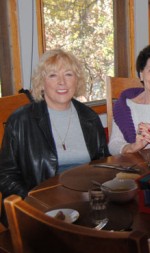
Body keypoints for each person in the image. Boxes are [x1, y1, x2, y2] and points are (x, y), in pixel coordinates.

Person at [0, 49, 109, 199]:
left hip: (85, 198)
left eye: (68, 74)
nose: (62, 82)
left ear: (76, 81)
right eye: (53, 75)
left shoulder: (90, 117)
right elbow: (6, 175)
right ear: (41, 83)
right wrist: (33, 200)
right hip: (38, 203)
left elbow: (103, 164)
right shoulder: (20, 121)